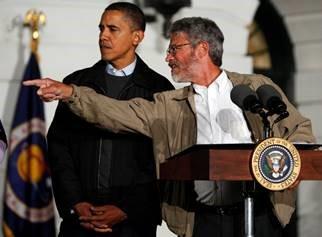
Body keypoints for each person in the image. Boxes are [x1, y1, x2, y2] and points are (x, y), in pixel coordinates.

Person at [24, 17, 315, 237]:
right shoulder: (169, 104)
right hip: (202, 221)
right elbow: (117, 112)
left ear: (202, 49)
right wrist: (72, 93)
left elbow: (299, 132)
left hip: (261, 216)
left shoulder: (254, 88)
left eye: (175, 48)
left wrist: (285, 171)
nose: (168, 57)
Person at [43, 2, 174, 237]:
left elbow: (164, 159)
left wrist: (127, 208)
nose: (103, 36)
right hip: (80, 222)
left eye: (112, 29)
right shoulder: (75, 83)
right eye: (101, 28)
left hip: (133, 225)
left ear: (137, 37)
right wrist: (75, 203)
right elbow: (59, 149)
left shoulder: (160, 90)